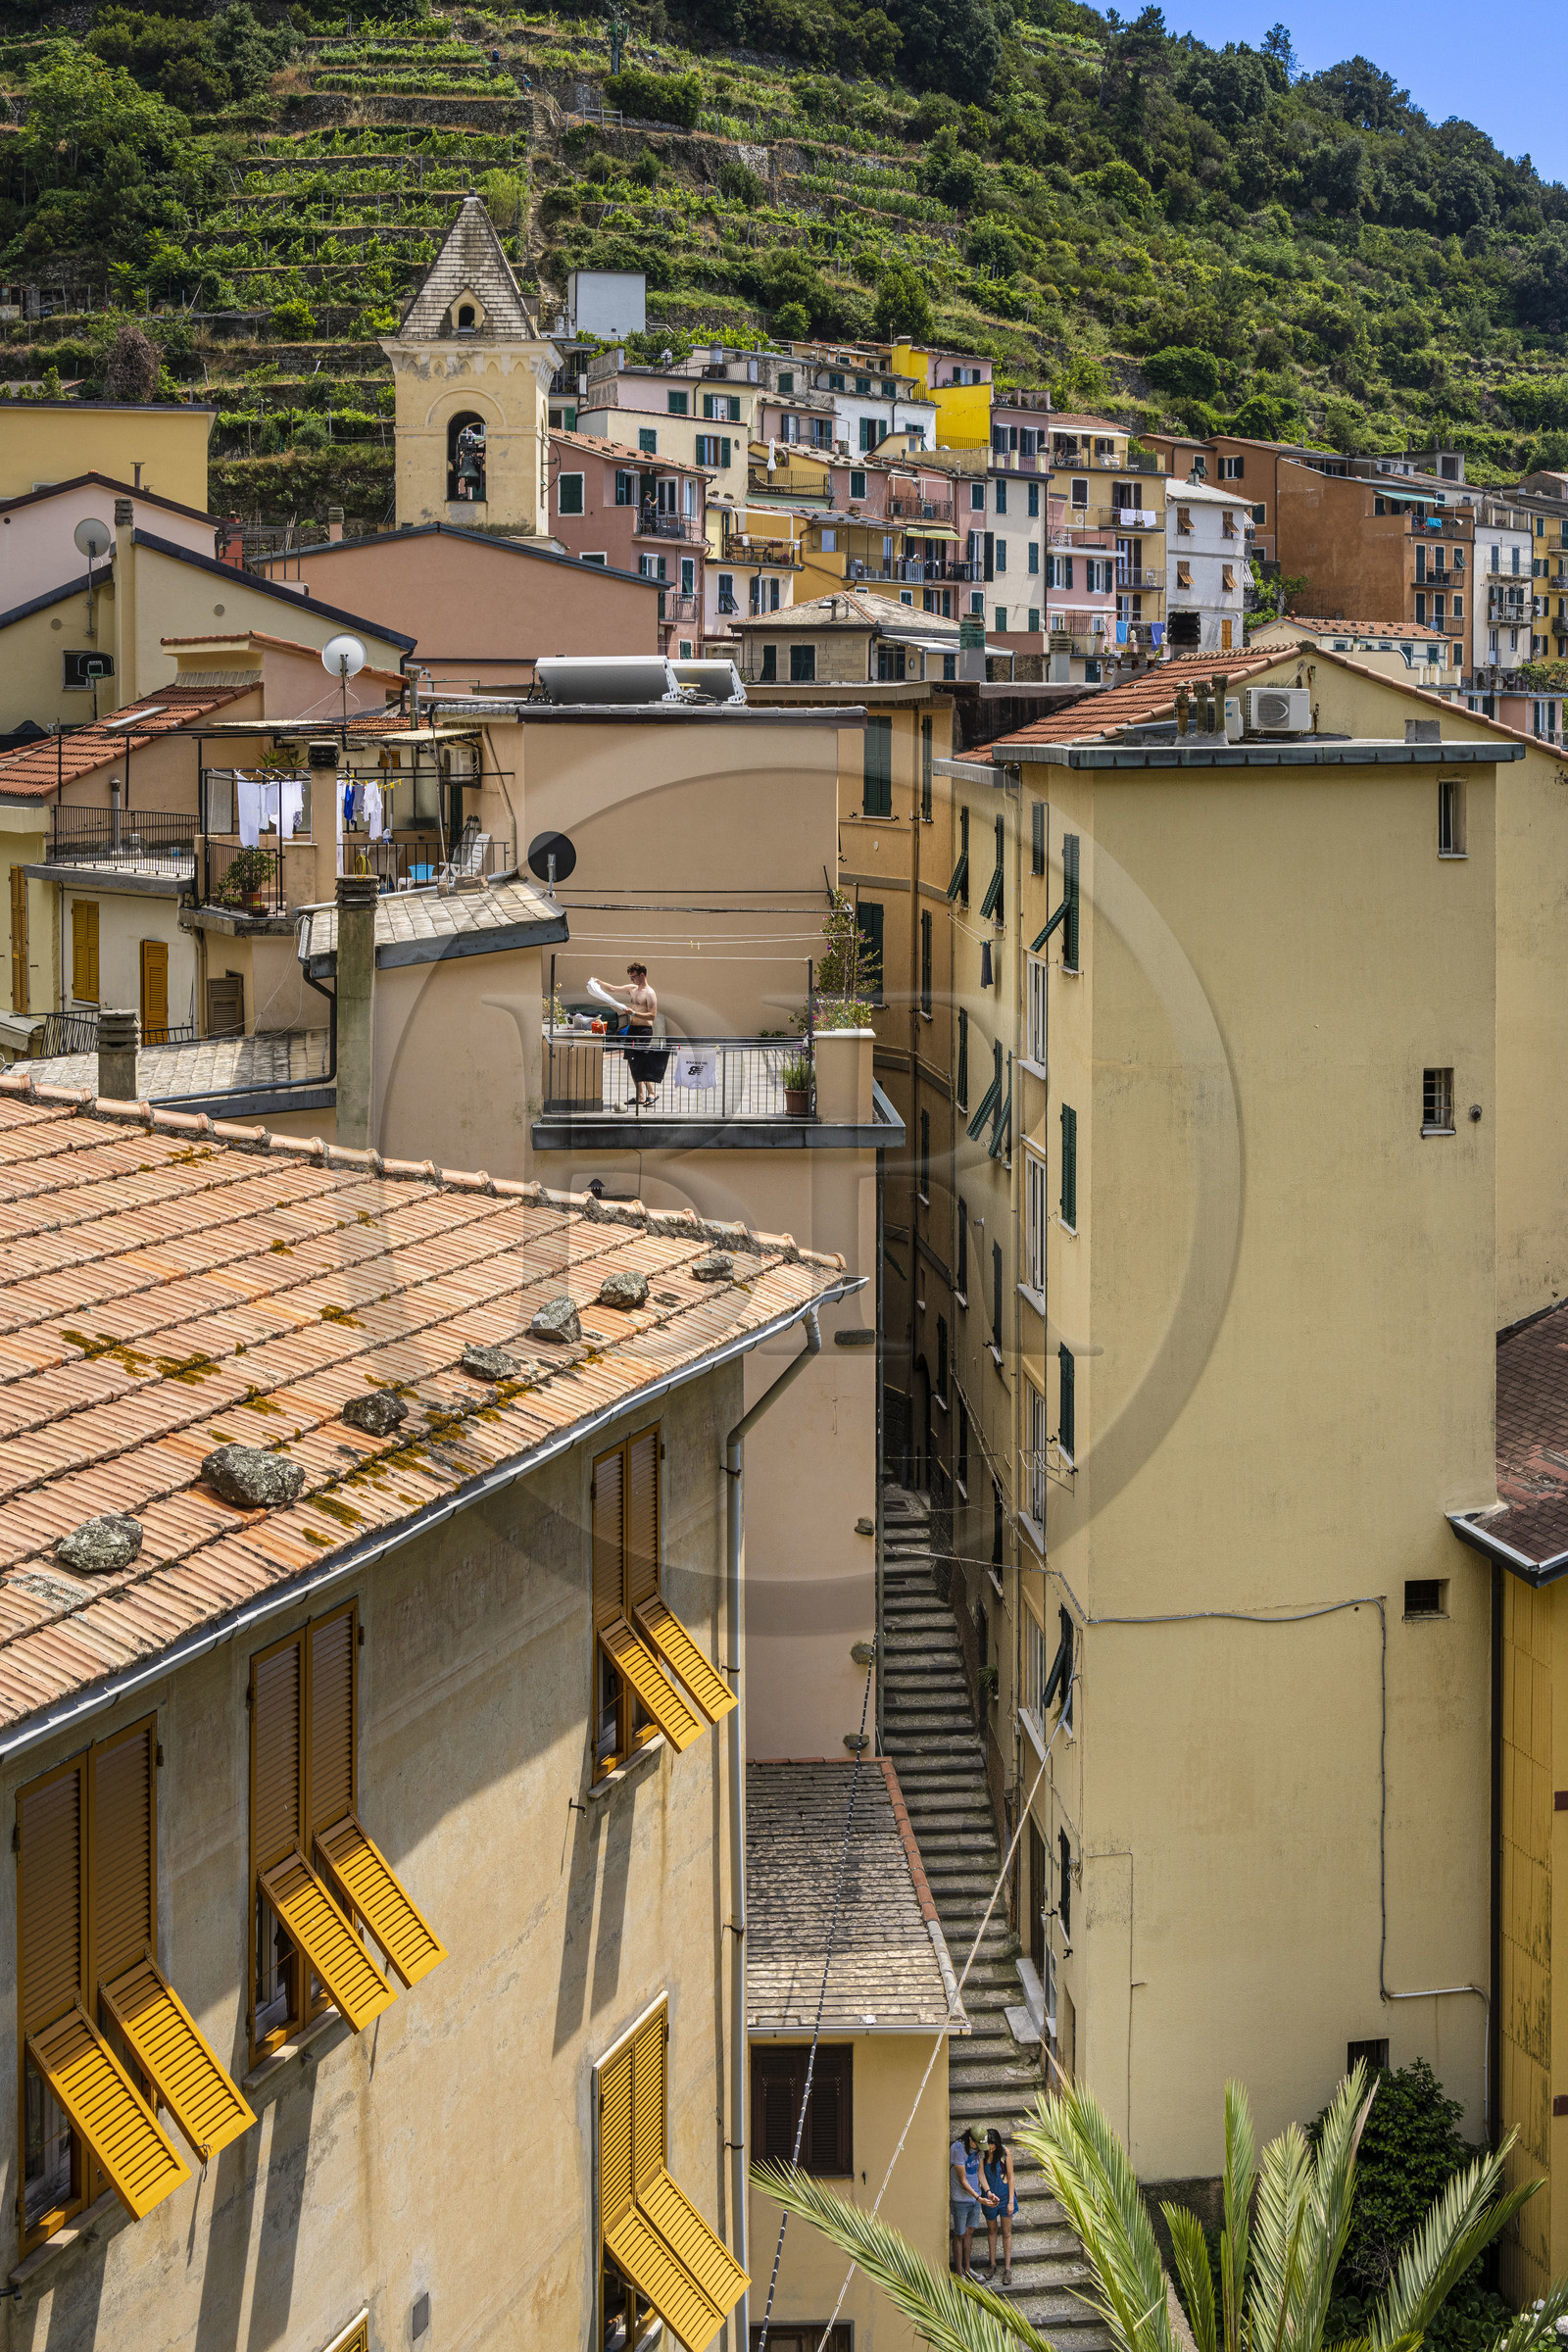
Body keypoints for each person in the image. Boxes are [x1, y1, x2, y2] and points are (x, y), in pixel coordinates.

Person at [599, 962, 669, 1108]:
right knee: (632, 1061)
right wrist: (597, 982)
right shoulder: (632, 989)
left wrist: (634, 1013)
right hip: (633, 1029)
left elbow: (652, 1015)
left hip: (644, 1030)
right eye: (630, 977)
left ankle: (652, 1093)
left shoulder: (649, 993)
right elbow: (612, 989)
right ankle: (640, 1095)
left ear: (641, 975)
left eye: (633, 977)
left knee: (640, 1061)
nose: (631, 980)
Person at [949, 2126, 996, 2278]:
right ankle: (959, 2272)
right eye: (977, 2145)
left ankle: (968, 2269)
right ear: (970, 2139)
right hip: (961, 2199)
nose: (980, 2149)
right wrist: (978, 2197)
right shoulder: (958, 2148)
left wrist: (988, 2192)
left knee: (970, 2232)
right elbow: (962, 2180)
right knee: (959, 2234)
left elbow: (979, 2172)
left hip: (975, 2197)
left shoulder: (979, 2149)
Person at [980, 2127, 1018, 2285]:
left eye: (992, 2144)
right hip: (989, 2197)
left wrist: (1010, 2201)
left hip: (1004, 2196)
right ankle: (993, 2264)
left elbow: (1011, 2177)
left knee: (1007, 2232)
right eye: (988, 2145)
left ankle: (1007, 2269)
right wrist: (987, 2192)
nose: (990, 2148)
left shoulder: (1005, 2153)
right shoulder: (982, 2155)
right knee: (992, 2230)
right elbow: (980, 2173)